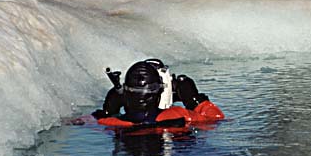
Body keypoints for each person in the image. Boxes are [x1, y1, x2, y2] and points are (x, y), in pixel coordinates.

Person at [92, 58, 224, 128]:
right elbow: (216, 120)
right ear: (158, 90)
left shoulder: (108, 123)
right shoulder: (177, 114)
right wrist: (195, 100)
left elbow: (81, 121)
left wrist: (109, 109)